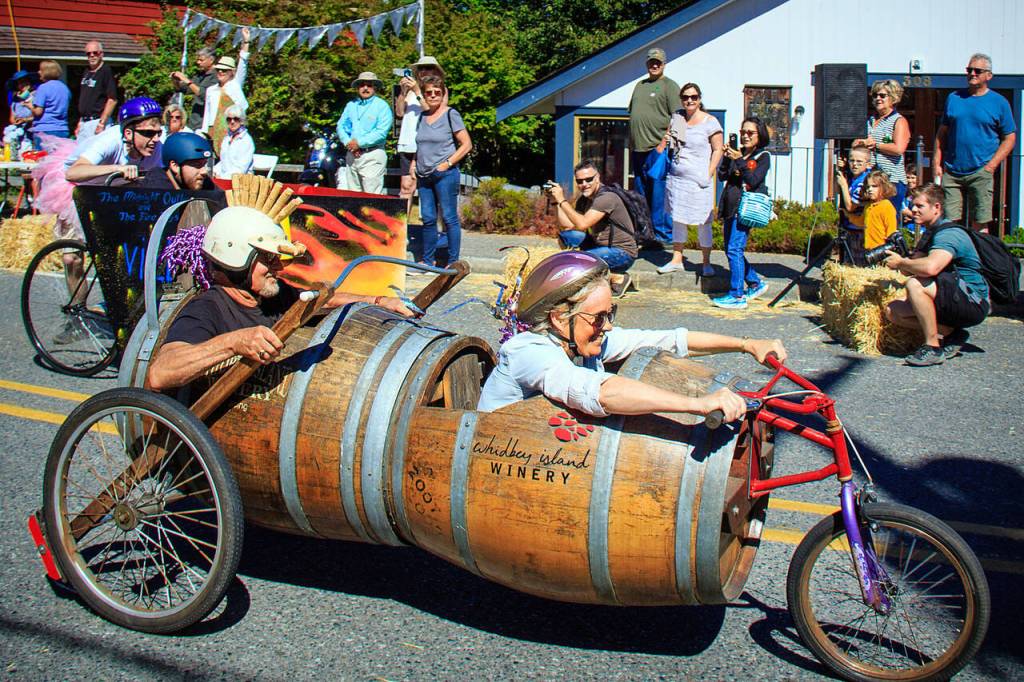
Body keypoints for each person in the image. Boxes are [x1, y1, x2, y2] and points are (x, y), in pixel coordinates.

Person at [477, 251, 786, 420]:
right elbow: (601, 392)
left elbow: (669, 340)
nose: (607, 326)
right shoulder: (530, 352)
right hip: (496, 466)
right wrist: (699, 404)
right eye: (599, 318)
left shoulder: (581, 341)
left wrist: (746, 344)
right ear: (559, 318)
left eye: (610, 314)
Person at [146, 206, 415, 394]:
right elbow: (160, 373)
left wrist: (377, 300)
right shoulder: (207, 309)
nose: (279, 267)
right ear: (236, 259)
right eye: (267, 259)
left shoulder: (275, 295)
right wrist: (234, 342)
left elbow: (320, 301)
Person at [883, 184, 989, 367]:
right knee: (894, 311)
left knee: (915, 285)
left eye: (919, 206)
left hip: (973, 301)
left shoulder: (949, 234)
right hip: (953, 297)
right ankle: (951, 334)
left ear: (937, 207)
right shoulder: (930, 232)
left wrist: (901, 262)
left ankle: (932, 347)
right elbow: (911, 268)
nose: (913, 210)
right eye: (912, 205)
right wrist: (902, 258)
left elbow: (931, 268)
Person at [933, 53, 1016, 233]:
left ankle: (980, 258)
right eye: (969, 70)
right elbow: (942, 133)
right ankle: (951, 258)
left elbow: (1010, 138)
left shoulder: (999, 102)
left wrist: (991, 166)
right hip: (953, 170)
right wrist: (937, 162)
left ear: (989, 76)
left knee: (980, 221)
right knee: (949, 221)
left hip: (981, 170)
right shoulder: (954, 98)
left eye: (977, 70)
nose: (972, 73)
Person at [657, 82, 723, 277]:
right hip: (677, 178)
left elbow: (718, 149)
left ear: (699, 99)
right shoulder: (677, 118)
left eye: (693, 97)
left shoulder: (710, 122)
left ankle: (706, 262)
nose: (689, 100)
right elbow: (671, 147)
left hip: (699, 180)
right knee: (678, 219)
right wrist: (667, 139)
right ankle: (677, 259)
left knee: (703, 221)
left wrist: (709, 173)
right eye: (686, 97)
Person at [546, 160, 637, 297]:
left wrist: (562, 200)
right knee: (567, 236)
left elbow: (583, 224)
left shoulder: (607, 198)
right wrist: (555, 202)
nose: (584, 184)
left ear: (598, 177)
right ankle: (598, 275)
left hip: (622, 253)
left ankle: (617, 278)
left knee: (579, 261)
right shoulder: (585, 199)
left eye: (589, 179)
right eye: (580, 181)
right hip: (600, 245)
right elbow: (568, 225)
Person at [409, 75, 471, 268]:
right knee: (427, 219)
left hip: (444, 175)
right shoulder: (422, 116)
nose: (433, 96)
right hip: (424, 175)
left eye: (437, 92)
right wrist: (413, 164)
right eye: (429, 92)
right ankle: (428, 262)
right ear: (424, 95)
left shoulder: (451, 114)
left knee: (449, 217)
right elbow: (419, 144)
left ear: (443, 94)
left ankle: (453, 263)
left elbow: (467, 144)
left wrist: (447, 163)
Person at [712, 117, 771, 309]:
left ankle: (737, 295)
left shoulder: (763, 157)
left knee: (734, 249)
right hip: (730, 207)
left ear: (759, 135)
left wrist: (739, 160)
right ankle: (754, 283)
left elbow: (753, 180)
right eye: (742, 132)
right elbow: (722, 176)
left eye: (750, 133)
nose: (745, 136)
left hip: (744, 208)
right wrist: (726, 158)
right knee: (730, 248)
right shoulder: (739, 154)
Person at [628, 47, 678, 244]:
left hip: (657, 150)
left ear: (664, 64)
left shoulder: (669, 86)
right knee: (641, 197)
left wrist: (664, 144)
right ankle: (645, 235)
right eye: (651, 62)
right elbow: (634, 114)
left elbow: (679, 119)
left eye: (658, 62)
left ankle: (663, 237)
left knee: (659, 196)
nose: (654, 65)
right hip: (638, 150)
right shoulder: (639, 85)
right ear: (646, 64)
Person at [854, 79, 909, 214]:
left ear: (893, 98)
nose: (878, 98)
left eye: (882, 96)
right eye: (875, 95)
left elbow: (899, 148)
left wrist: (876, 145)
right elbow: (858, 142)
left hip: (892, 180)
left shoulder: (899, 120)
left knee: (888, 217)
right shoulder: (870, 120)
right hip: (872, 178)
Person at [395, 55, 446, 200]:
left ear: (436, 71)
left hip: (427, 144)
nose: (424, 71)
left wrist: (418, 92)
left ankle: (433, 222)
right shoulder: (410, 91)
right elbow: (399, 113)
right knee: (406, 187)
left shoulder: (439, 90)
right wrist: (403, 92)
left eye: (428, 68)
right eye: (421, 68)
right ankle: (402, 223)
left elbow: (431, 111)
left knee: (430, 187)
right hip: (407, 142)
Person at [337, 71, 392, 194]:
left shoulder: (382, 106)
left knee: (372, 197)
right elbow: (341, 126)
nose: (365, 88)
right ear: (357, 88)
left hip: (372, 155)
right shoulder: (351, 105)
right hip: (352, 155)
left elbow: (381, 132)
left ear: (375, 87)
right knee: (353, 195)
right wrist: (348, 143)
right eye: (362, 85)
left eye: (369, 85)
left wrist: (359, 143)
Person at [200, 29, 251, 136]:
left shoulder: (235, 85)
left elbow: (243, 63)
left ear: (231, 72)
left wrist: (246, 42)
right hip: (213, 130)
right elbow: (207, 114)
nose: (221, 72)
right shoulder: (211, 90)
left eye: (224, 70)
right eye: (219, 69)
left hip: (232, 128)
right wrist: (204, 132)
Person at [838, 170, 898, 253]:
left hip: (881, 250)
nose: (870, 189)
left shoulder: (886, 206)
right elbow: (862, 222)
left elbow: (891, 231)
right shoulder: (868, 205)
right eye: (868, 187)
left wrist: (888, 249)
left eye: (874, 186)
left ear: (884, 187)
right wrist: (848, 215)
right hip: (869, 249)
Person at [833, 146, 873, 262]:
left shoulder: (865, 182)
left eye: (859, 162)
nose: (854, 164)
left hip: (859, 227)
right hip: (850, 225)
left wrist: (844, 186)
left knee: (856, 261)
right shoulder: (853, 177)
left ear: (868, 164)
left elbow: (850, 206)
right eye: (852, 161)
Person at [75, 40, 119, 144]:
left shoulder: (106, 71)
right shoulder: (86, 72)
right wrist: (80, 122)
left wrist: (102, 123)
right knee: (81, 157)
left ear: (101, 54)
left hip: (97, 122)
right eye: (88, 53)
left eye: (95, 53)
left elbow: (112, 99)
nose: (92, 56)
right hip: (85, 123)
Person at [142, 132, 215, 191]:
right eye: (197, 165)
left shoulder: (204, 183)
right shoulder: (155, 190)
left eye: (204, 164)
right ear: (175, 166)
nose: (204, 171)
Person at [172, 46, 218, 131]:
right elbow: (185, 90)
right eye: (198, 60)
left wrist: (186, 80)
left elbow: (204, 95)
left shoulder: (216, 76)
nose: (198, 62)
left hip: (205, 123)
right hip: (194, 123)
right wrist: (175, 81)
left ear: (211, 60)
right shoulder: (200, 75)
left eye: (201, 60)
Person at [28, 60, 72, 145]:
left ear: (46, 72)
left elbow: (38, 112)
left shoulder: (43, 88)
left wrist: (30, 106)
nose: (39, 72)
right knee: (59, 157)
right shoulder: (65, 88)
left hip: (44, 130)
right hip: (62, 129)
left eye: (41, 70)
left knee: (44, 158)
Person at [212, 105, 254, 178]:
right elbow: (223, 162)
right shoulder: (227, 138)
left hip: (240, 180)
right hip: (224, 178)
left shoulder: (246, 141)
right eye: (229, 119)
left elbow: (241, 169)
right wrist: (214, 171)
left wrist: (223, 177)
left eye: (236, 119)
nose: (232, 122)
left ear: (242, 121)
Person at [6, 69, 37, 145]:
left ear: (29, 82)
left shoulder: (36, 95)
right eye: (20, 82)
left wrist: (25, 120)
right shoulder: (15, 99)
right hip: (18, 133)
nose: (23, 84)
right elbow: (12, 117)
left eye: (25, 81)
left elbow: (38, 114)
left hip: (32, 132)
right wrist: (16, 122)